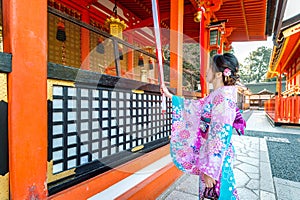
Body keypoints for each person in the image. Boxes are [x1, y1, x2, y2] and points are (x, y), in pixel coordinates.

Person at [161, 53, 246, 199]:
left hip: (216, 161)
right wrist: (171, 96)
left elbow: (219, 135)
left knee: (220, 194)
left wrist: (210, 169)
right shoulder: (217, 95)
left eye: (209, 68)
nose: (206, 71)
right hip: (211, 156)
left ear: (219, 74)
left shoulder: (223, 98)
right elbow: (196, 106)